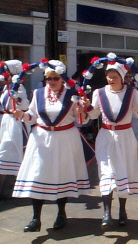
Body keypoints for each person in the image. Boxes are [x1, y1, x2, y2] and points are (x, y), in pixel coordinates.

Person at [12, 60, 91, 232]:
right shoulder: (39, 93)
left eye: (55, 78)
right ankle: (35, 219)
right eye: (48, 79)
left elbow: (83, 121)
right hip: (41, 138)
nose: (52, 82)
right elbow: (32, 115)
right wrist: (22, 114)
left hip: (65, 139)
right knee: (38, 175)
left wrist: (82, 112)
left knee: (61, 175)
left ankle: (61, 214)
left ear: (62, 78)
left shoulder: (72, 94)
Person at [82, 60, 138, 228]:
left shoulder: (132, 93)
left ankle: (122, 211)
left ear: (122, 77)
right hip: (105, 136)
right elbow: (94, 114)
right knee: (106, 172)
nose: (111, 80)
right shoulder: (99, 93)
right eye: (109, 77)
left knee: (122, 171)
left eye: (115, 77)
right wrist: (87, 107)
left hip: (125, 137)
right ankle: (106, 213)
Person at [0, 60, 30, 199]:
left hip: (15, 124)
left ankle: (17, 187)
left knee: (8, 153)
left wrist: (17, 99)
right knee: (6, 154)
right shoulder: (7, 88)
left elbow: (25, 105)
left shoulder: (19, 88)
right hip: (6, 123)